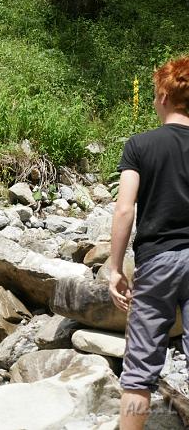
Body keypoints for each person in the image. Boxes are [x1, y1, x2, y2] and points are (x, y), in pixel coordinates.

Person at [108, 57, 189, 430]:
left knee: (139, 370)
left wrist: (114, 268)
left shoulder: (140, 145)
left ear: (162, 96)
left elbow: (125, 210)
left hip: (157, 261)